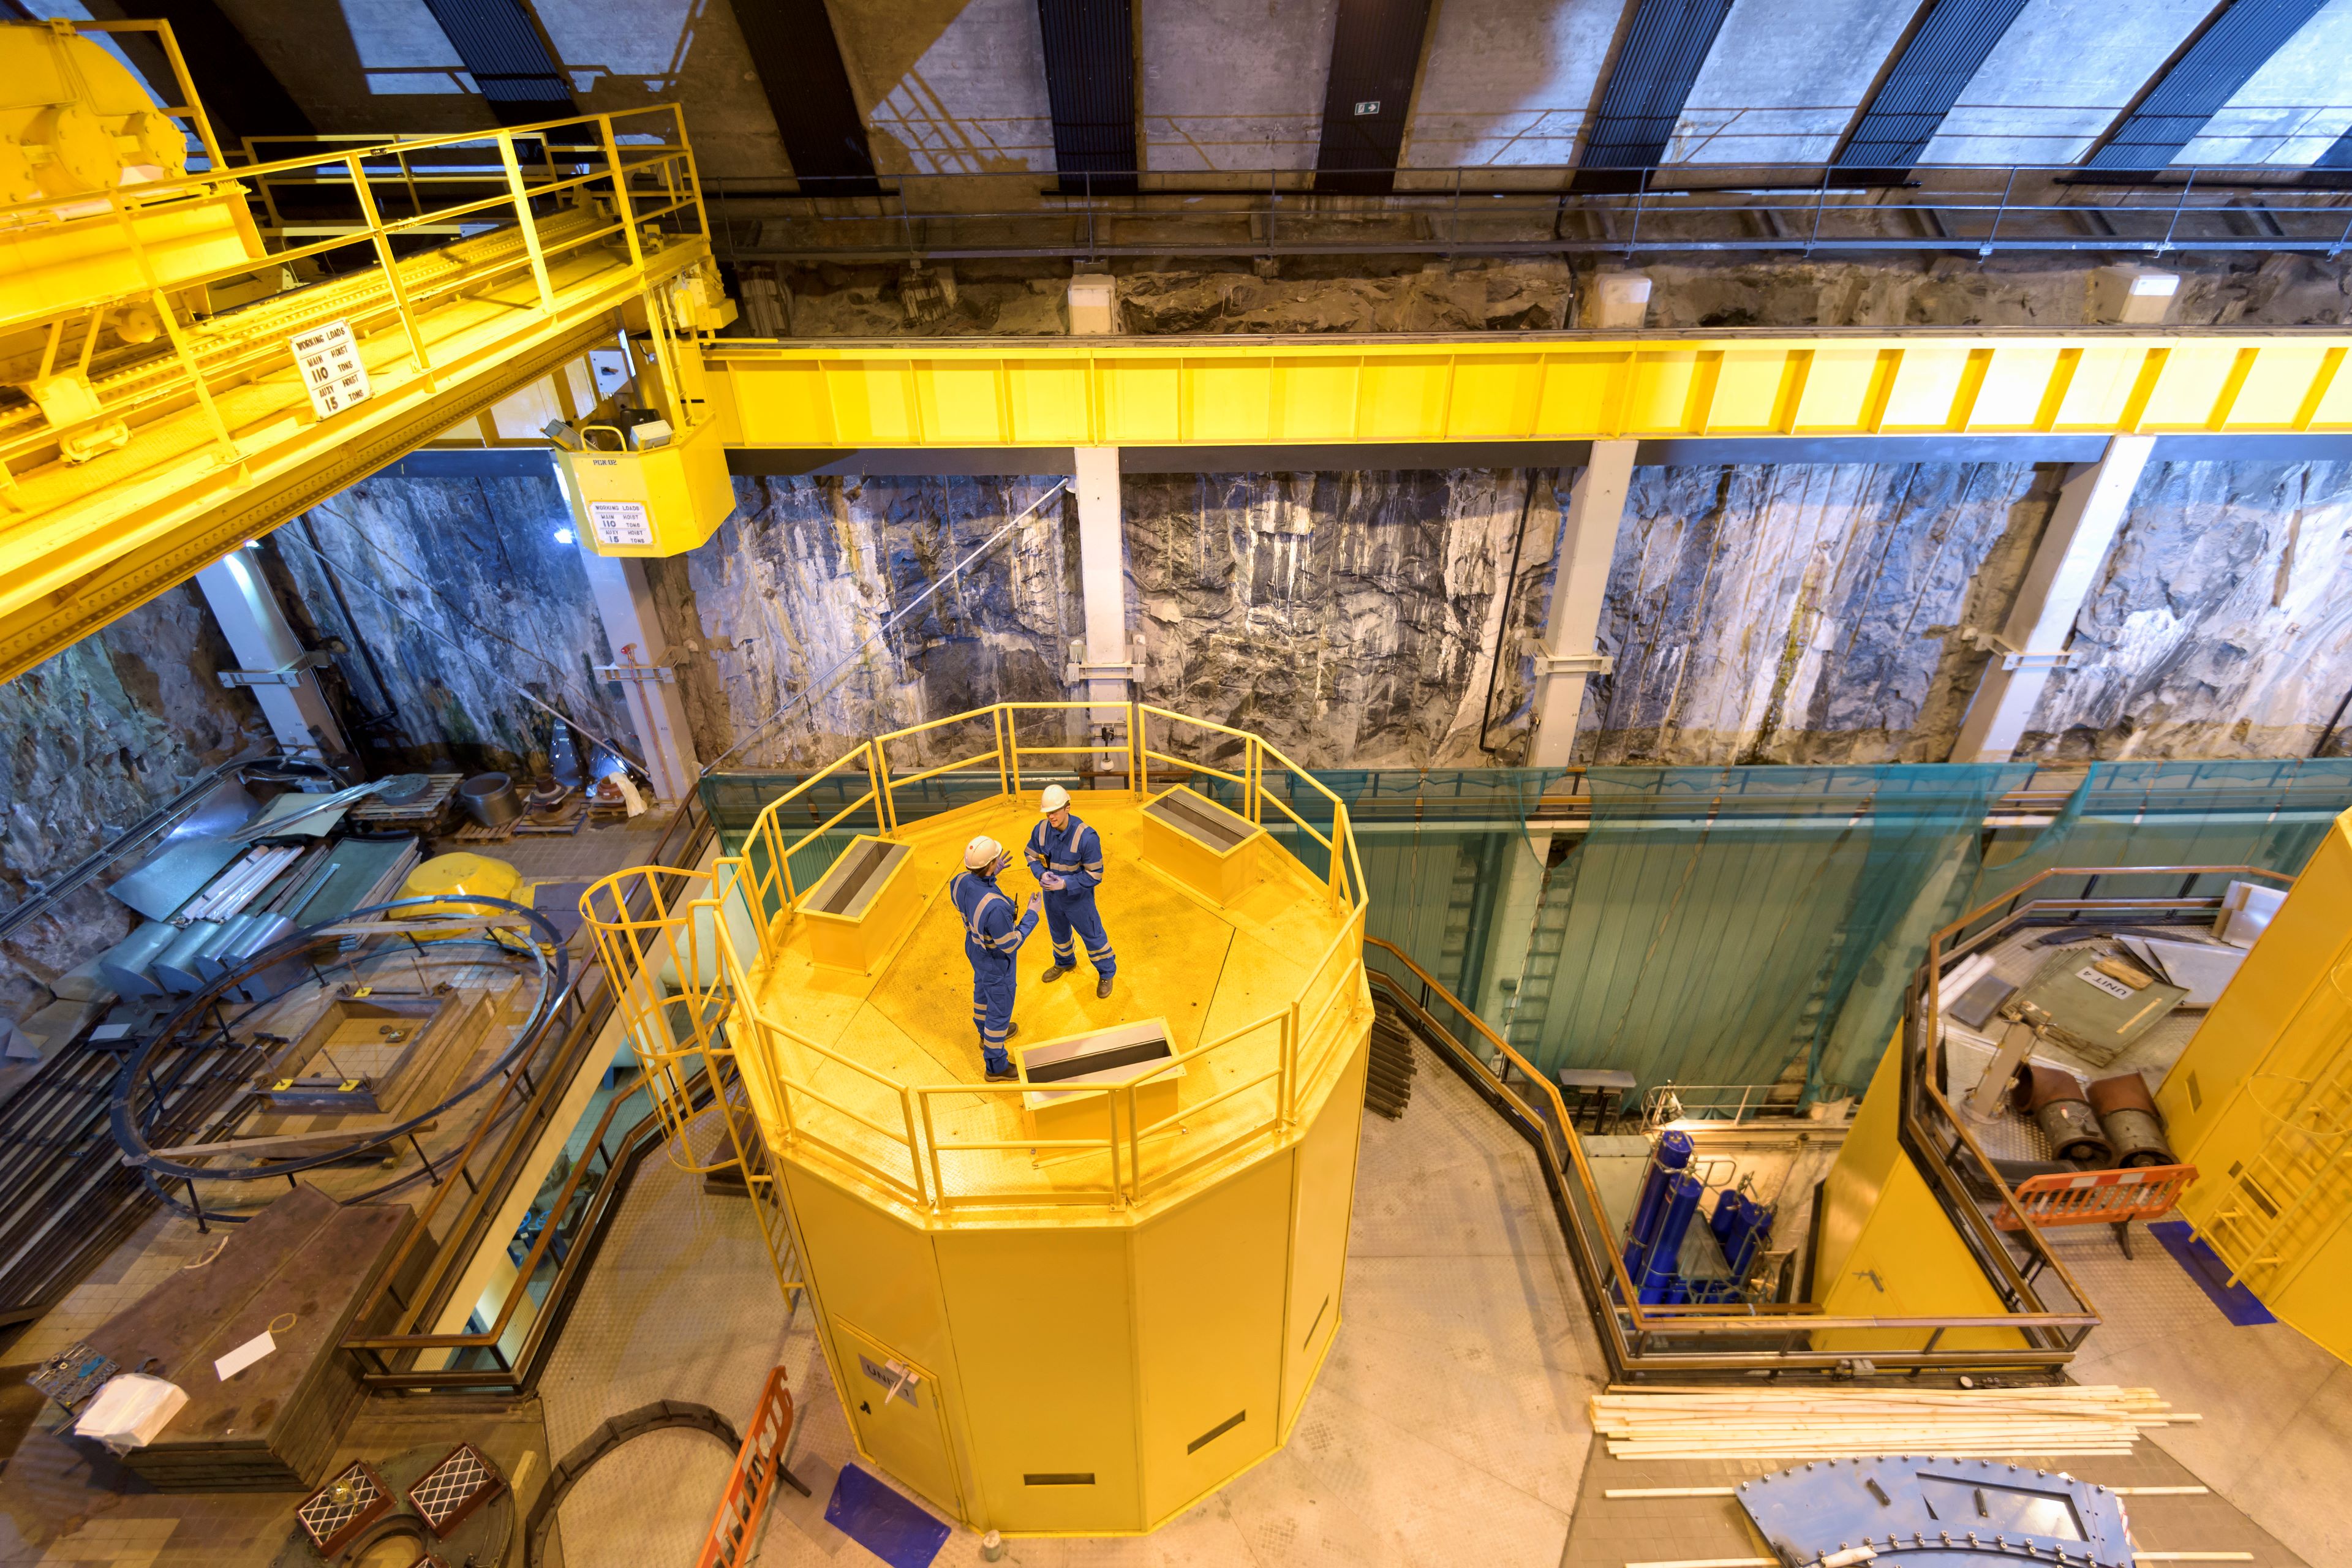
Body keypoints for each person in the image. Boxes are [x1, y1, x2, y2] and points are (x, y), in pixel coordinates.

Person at [951, 835, 1038, 1082]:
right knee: (1000, 1011)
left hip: (975, 948)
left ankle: (983, 1032)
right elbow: (1010, 944)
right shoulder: (996, 908)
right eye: (996, 860)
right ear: (989, 864)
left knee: (982, 992)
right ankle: (995, 1064)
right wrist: (1031, 915)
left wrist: (990, 876)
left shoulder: (958, 882)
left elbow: (968, 897)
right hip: (996, 959)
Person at [1025, 783, 1116, 1000]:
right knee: (1058, 933)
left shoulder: (1087, 837)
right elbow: (1030, 854)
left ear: (1068, 808)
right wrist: (1041, 874)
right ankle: (1065, 962)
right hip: (1052, 898)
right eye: (1048, 812)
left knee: (1093, 936)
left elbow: (1095, 875)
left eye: (1055, 811)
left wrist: (1065, 884)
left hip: (1078, 900)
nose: (1051, 817)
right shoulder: (1041, 830)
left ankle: (1106, 973)